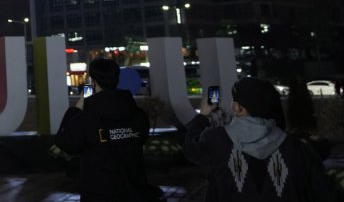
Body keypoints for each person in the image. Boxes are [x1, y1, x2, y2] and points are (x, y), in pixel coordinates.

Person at [183, 76, 337, 200]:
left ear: (237, 108)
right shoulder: (296, 147)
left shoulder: (217, 140)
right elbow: (324, 191)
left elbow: (191, 148)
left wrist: (202, 116)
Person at [54, 58, 162, 201]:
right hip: (135, 191)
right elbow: (140, 139)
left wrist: (79, 105)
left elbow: (65, 143)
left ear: (91, 82)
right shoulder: (138, 115)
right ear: (116, 79)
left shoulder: (86, 119)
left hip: (99, 193)